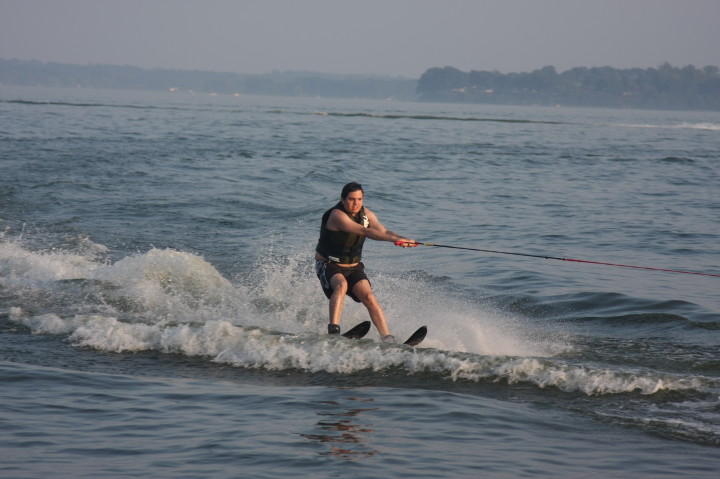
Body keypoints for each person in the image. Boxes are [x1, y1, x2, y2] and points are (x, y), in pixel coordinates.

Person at [315, 182, 416, 342]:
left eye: (359, 199)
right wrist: (393, 240)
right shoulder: (337, 216)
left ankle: (387, 337)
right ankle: (333, 332)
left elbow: (383, 231)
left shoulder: (366, 214)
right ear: (343, 199)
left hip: (353, 267)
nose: (356, 203)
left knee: (368, 296)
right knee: (341, 285)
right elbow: (365, 231)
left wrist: (402, 239)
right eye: (351, 199)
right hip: (328, 264)